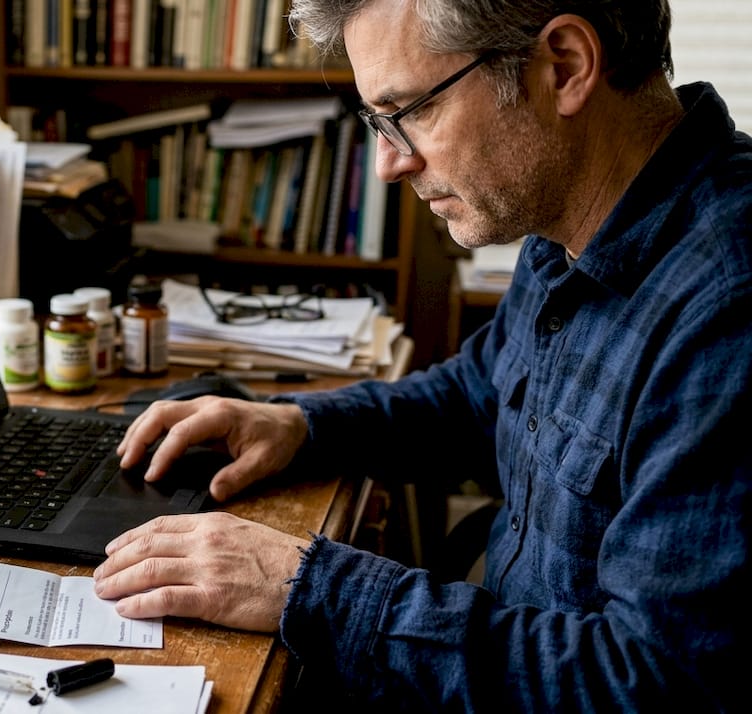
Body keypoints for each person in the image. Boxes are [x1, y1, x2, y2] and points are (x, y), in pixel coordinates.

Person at [91, 0, 751, 710]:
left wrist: (308, 586)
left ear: (563, 67)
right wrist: (300, 425)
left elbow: (651, 686)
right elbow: (481, 392)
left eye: (408, 110)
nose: (389, 162)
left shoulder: (727, 309)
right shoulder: (571, 215)